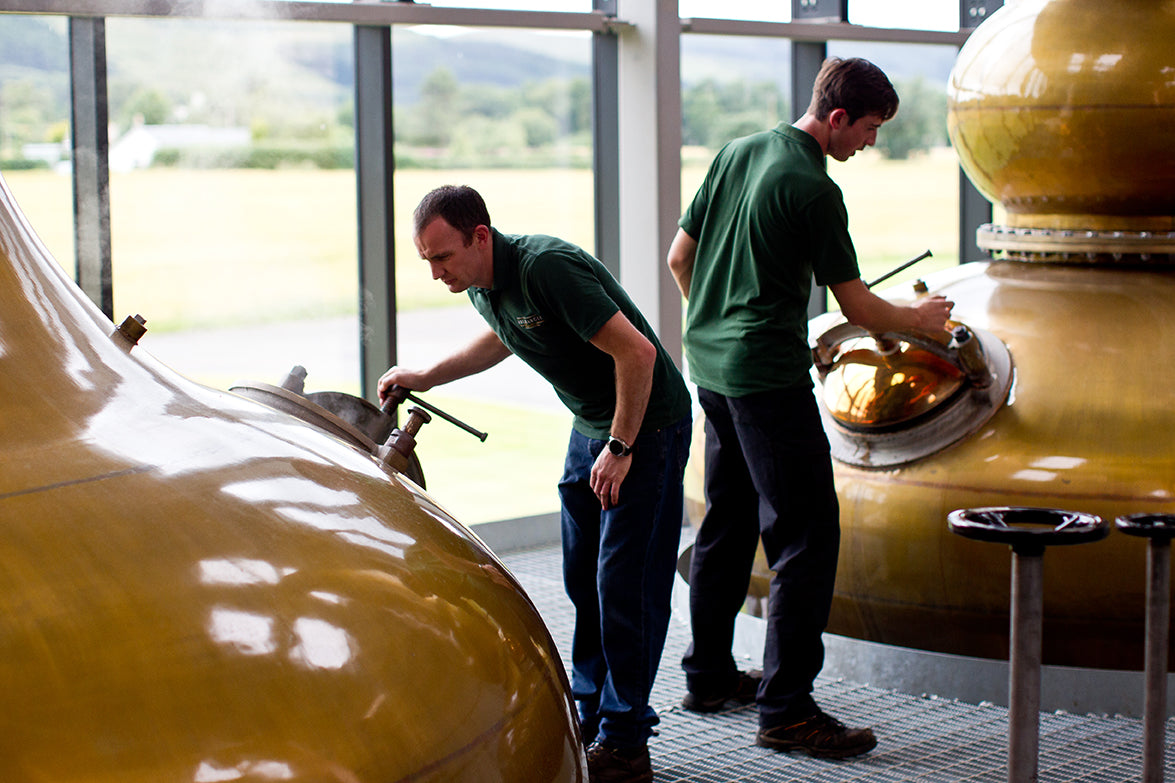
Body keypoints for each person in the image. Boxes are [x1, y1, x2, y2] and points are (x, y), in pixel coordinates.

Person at [666, 57, 954, 759]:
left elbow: (680, 258)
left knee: (727, 523)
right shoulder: (813, 189)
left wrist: (717, 325)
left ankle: (707, 677)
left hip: (710, 369)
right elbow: (855, 304)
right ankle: (786, 710)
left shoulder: (736, 151)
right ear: (835, 119)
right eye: (868, 128)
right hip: (766, 380)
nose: (869, 143)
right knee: (804, 538)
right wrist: (920, 320)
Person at [379, 185, 692, 783]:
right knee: (582, 578)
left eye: (443, 257)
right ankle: (592, 712)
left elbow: (638, 355)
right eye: (427, 261)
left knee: (626, 586)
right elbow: (505, 337)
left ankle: (625, 744)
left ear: (480, 236)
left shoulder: (547, 268)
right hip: (593, 425)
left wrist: (621, 449)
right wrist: (427, 374)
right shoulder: (481, 284)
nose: (437, 273)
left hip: (644, 427)